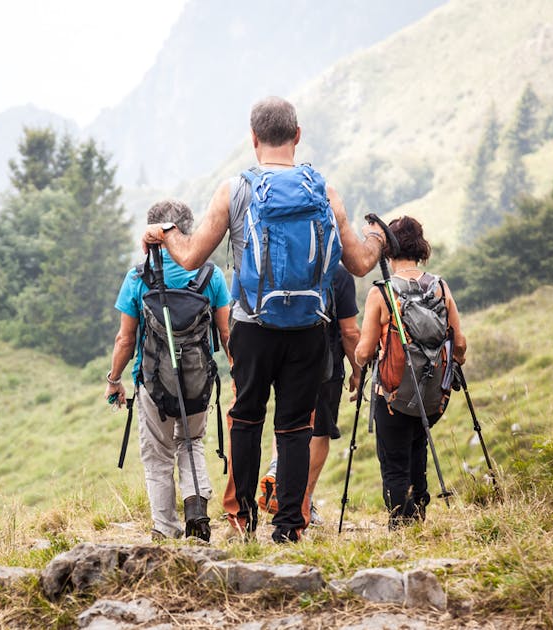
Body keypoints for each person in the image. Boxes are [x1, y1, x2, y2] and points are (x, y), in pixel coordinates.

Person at [141, 96, 386, 543]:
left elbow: (193, 257)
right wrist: (376, 235)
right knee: (295, 425)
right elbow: (359, 263)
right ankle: (289, 525)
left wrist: (166, 233)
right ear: (297, 136)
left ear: (253, 139)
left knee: (248, 417)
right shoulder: (325, 192)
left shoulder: (234, 190)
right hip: (310, 327)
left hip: (252, 327)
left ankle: (244, 519)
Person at [106, 198, 232, 541]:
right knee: (191, 443)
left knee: (158, 455)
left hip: (152, 382)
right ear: (186, 231)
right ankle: (196, 509)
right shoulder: (210, 274)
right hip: (198, 378)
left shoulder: (138, 277)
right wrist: (238, 373)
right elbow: (226, 332)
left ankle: (165, 529)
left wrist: (114, 380)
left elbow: (124, 339)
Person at [222, 265, 360, 531]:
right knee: (304, 429)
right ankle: (295, 515)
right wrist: (357, 370)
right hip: (317, 351)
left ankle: (242, 517)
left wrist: (236, 358)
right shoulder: (337, 272)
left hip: (256, 337)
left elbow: (236, 305)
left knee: (248, 421)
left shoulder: (252, 257)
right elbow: (350, 331)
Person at [354, 216, 466, 529]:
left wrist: (364, 361)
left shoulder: (382, 292)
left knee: (393, 461)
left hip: (393, 394)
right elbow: (460, 344)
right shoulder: (440, 287)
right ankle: (418, 513)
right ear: (420, 246)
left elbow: (363, 352)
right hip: (432, 395)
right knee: (418, 449)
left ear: (388, 247)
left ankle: (401, 522)